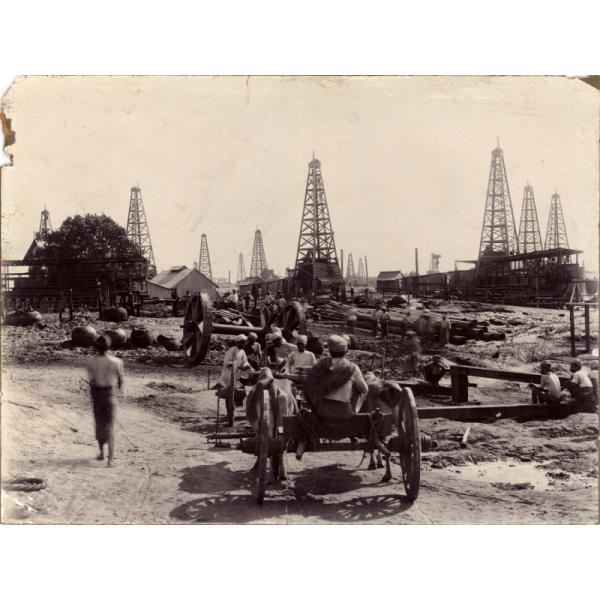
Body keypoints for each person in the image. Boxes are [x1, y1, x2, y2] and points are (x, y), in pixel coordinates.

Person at [304, 335, 368, 421]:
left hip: (323, 411)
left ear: (330, 351)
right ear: (346, 351)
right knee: (359, 390)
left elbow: (309, 384)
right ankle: (355, 412)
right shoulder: (352, 368)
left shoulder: (321, 365)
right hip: (344, 413)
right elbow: (365, 390)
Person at [86, 335, 124, 467]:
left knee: (99, 423)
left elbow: (92, 381)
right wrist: (118, 393)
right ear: (109, 346)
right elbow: (120, 381)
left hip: (97, 394)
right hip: (109, 394)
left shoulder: (91, 362)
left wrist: (94, 394)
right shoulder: (116, 362)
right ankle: (110, 460)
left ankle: (101, 453)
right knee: (110, 426)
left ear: (95, 347)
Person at [217, 334, 252, 426]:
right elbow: (227, 363)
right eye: (243, 343)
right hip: (229, 375)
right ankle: (229, 414)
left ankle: (233, 412)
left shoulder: (242, 351)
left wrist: (246, 366)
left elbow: (245, 361)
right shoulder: (231, 350)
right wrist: (238, 366)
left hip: (237, 375)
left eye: (245, 343)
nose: (244, 344)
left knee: (237, 394)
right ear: (238, 342)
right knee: (229, 394)